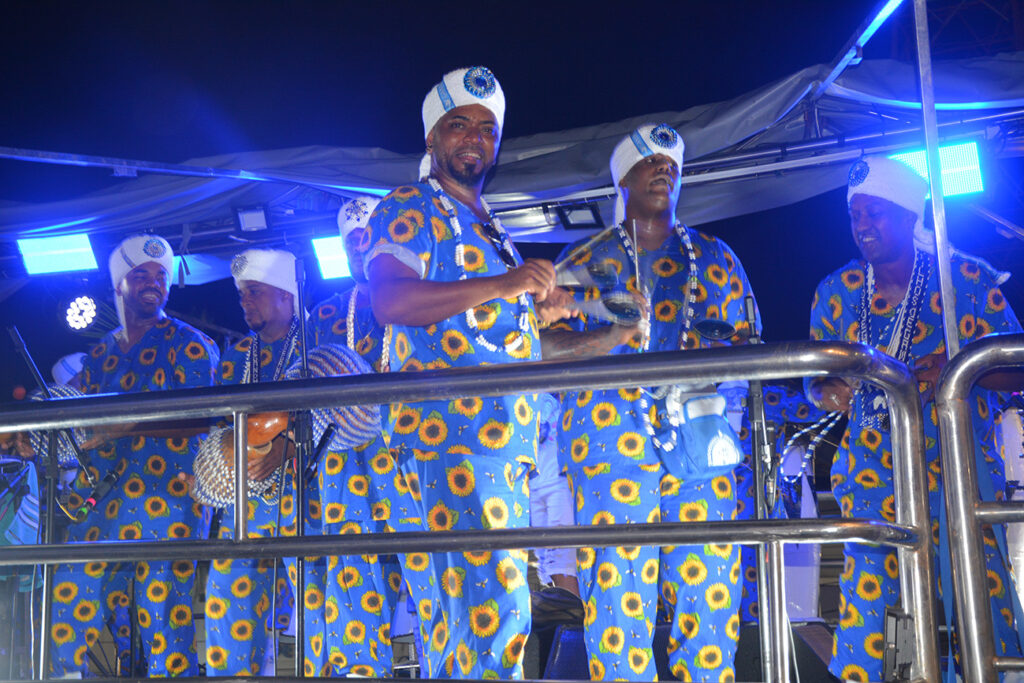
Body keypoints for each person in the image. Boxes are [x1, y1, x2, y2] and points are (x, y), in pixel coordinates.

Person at [362, 66, 571, 679]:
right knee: (486, 617)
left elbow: (495, 337)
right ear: (431, 138)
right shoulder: (409, 206)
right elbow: (390, 302)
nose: (474, 137)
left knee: (479, 622)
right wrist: (506, 284)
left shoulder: (491, 228)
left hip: (503, 449)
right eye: (459, 124)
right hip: (446, 440)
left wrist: (541, 315)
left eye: (487, 127)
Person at [542, 123, 760, 681]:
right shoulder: (579, 261)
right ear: (622, 180)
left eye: (672, 162)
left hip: (701, 445)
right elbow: (538, 346)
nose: (664, 168)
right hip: (610, 448)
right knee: (618, 603)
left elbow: (753, 350)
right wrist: (605, 337)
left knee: (710, 595)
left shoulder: (718, 258)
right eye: (649, 161)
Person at [806, 155, 1023, 682]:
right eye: (855, 215)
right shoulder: (836, 291)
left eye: (874, 213)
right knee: (874, 612)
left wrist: (956, 368)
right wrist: (828, 391)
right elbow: (813, 380)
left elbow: (1016, 367)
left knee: (974, 599)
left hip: (957, 473)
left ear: (908, 213)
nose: (862, 227)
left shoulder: (963, 279)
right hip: (872, 478)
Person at [49, 234, 219, 677]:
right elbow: (76, 423)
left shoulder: (191, 343)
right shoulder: (101, 352)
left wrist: (126, 425)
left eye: (160, 275)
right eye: (140, 274)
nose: (152, 282)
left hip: (169, 498)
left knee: (164, 615)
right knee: (72, 596)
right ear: (118, 285)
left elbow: (203, 417)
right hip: (100, 501)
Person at [196, 247, 325, 676]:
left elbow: (339, 419)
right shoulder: (236, 357)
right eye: (241, 295)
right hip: (245, 509)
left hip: (312, 504)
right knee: (226, 598)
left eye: (254, 292)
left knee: (321, 611)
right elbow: (220, 431)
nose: (244, 302)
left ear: (287, 295)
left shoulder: (321, 342)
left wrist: (284, 449)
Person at [309, 196, 414, 677]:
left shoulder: (423, 295)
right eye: (352, 239)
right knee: (351, 577)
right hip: (345, 470)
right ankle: (359, 669)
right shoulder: (323, 316)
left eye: (372, 233)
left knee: (432, 576)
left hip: (413, 459)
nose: (362, 245)